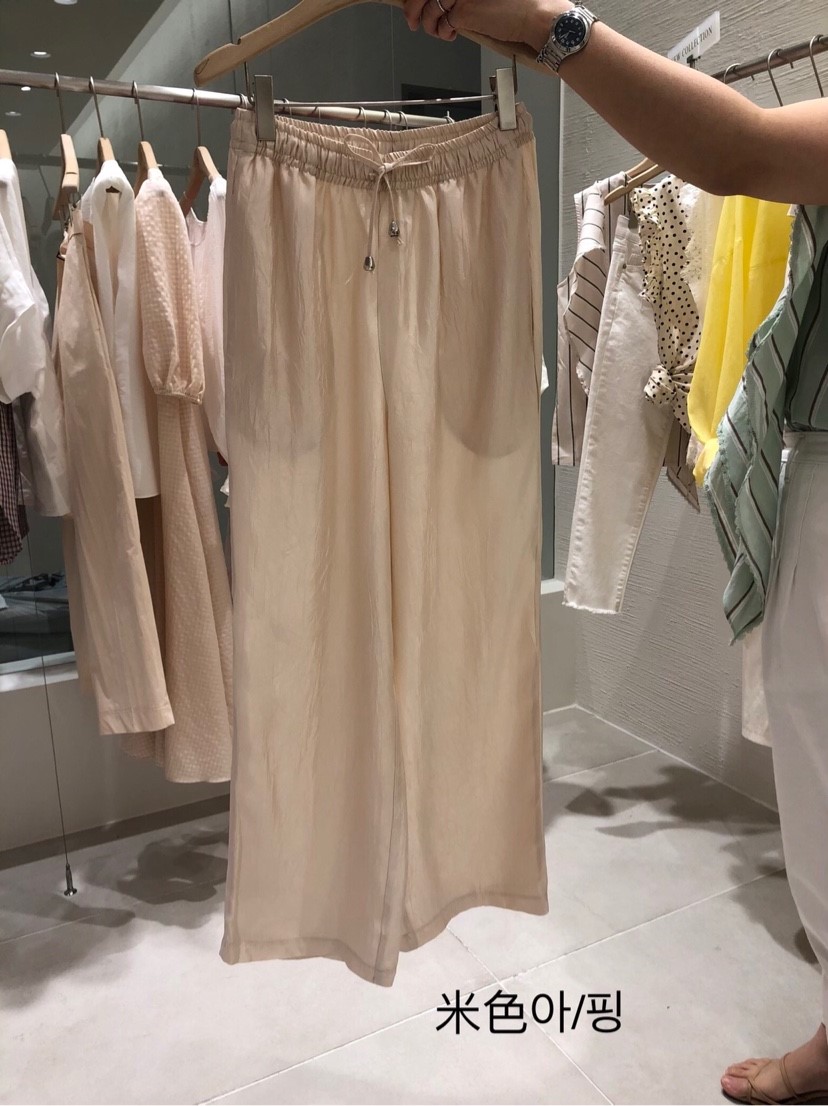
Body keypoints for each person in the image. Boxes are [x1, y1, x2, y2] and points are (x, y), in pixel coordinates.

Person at [401, 2, 828, 1104]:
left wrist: (550, 26)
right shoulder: (631, 208)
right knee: (815, 757)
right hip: (811, 451)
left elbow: (738, 149)